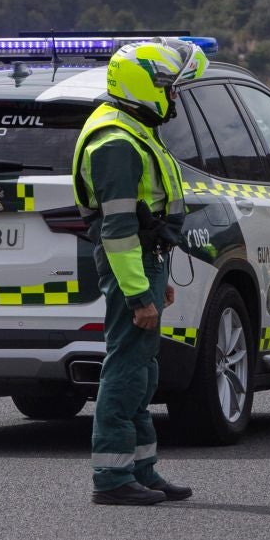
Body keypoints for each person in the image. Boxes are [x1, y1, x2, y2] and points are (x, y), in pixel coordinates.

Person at [70, 38, 208, 506]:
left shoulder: (133, 128)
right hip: (131, 266)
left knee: (143, 371)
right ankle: (110, 479)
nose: (173, 97)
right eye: (168, 87)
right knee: (126, 369)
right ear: (143, 86)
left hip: (146, 264)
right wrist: (138, 296)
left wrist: (156, 281)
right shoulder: (116, 142)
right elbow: (119, 230)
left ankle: (143, 470)